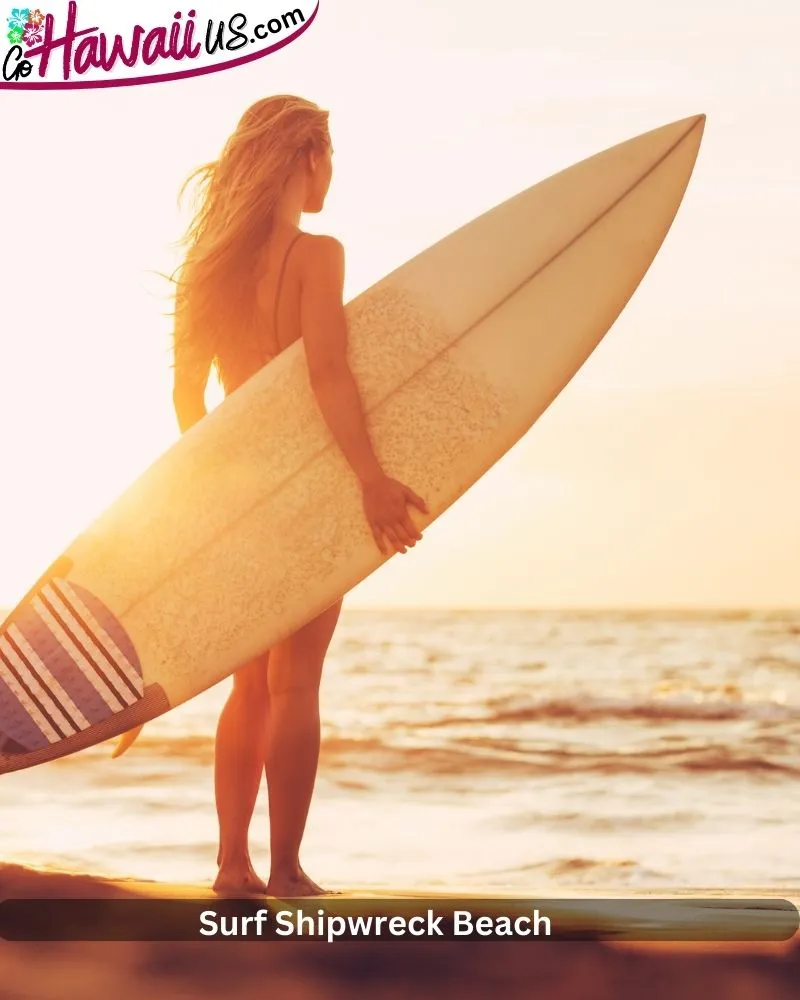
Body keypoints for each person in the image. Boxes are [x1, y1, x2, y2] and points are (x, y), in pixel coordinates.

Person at [116, 96, 428, 897]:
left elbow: (188, 400)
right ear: (307, 157)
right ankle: (286, 868)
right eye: (330, 156)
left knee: (246, 685)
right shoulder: (317, 255)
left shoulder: (207, 269)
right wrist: (370, 480)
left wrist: (216, 487)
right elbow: (328, 373)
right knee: (296, 685)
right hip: (312, 486)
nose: (331, 173)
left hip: (234, 494)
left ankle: (230, 865)